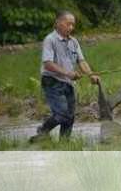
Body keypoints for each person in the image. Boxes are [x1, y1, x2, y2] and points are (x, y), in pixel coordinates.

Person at [29, 10, 100, 142]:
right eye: (68, 24)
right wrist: (68, 73)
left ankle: (64, 143)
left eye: (73, 25)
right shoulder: (50, 40)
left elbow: (81, 61)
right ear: (58, 23)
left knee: (70, 116)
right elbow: (48, 64)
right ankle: (43, 131)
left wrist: (91, 75)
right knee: (61, 114)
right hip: (52, 81)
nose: (71, 28)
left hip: (67, 82)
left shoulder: (73, 42)